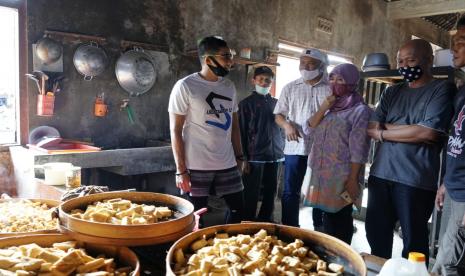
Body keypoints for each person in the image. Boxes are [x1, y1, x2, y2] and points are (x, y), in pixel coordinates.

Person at [365, 39, 455, 263]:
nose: (405, 65)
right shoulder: (391, 92)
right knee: (376, 237)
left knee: (414, 244)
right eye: (400, 61)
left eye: (411, 60)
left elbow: (429, 133)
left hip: (415, 180)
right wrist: (414, 129)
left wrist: (386, 132)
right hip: (380, 175)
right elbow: (372, 127)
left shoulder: (442, 89)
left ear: (428, 60)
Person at [168, 36, 245, 226]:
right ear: (208, 59)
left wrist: (240, 156)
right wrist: (181, 170)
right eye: (226, 56)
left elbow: (234, 126)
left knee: (239, 211)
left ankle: (226, 248)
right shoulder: (185, 86)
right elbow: (175, 130)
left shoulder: (229, 86)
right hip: (196, 165)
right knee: (195, 218)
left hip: (226, 162)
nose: (230, 61)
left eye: (231, 55)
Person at [302, 63, 372, 244]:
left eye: (340, 79)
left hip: (342, 176)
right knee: (325, 221)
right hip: (321, 174)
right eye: (331, 78)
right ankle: (328, 259)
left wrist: (352, 180)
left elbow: (359, 149)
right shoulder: (330, 106)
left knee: (339, 222)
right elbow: (308, 130)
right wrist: (323, 107)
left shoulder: (360, 111)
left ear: (351, 82)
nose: (334, 83)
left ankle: (340, 261)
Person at [274, 48, 331, 227]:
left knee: (320, 191)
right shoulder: (290, 88)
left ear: (322, 66)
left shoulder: (331, 88)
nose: (305, 67)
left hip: (324, 149)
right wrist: (287, 125)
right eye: (302, 63)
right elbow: (278, 115)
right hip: (296, 147)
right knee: (291, 190)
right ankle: (290, 228)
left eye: (311, 64)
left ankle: (319, 229)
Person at [432, 15, 465, 275]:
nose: (454, 49)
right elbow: (458, 141)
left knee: (449, 264)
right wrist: (445, 182)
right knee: (444, 255)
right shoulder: (463, 91)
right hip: (455, 187)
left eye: (461, 42)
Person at [238, 66, 284, 222]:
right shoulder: (246, 104)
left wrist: (282, 151)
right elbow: (241, 132)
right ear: (254, 81)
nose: (264, 83)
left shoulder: (277, 104)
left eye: (268, 80)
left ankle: (266, 219)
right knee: (251, 192)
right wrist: (244, 158)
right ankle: (247, 221)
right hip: (254, 157)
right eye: (261, 80)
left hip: (275, 155)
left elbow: (282, 129)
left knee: (271, 192)